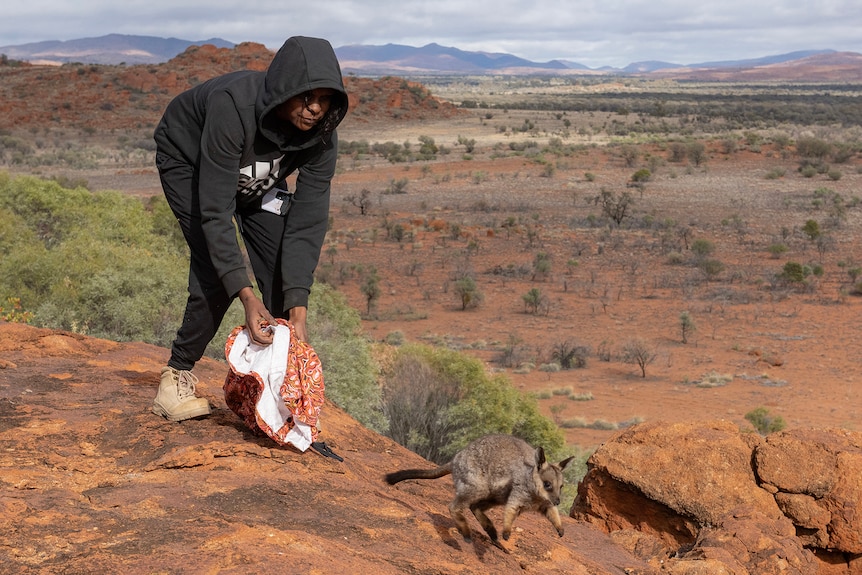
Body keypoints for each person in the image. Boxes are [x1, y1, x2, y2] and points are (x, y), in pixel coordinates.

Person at [151, 36, 349, 421]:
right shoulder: (233, 106)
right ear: (283, 88)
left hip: (256, 178)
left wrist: (298, 305)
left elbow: (307, 223)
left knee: (281, 274)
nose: (314, 109)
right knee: (216, 266)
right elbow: (215, 214)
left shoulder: (322, 135)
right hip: (190, 162)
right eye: (305, 97)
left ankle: (270, 384)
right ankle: (175, 378)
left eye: (324, 99)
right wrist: (245, 294)